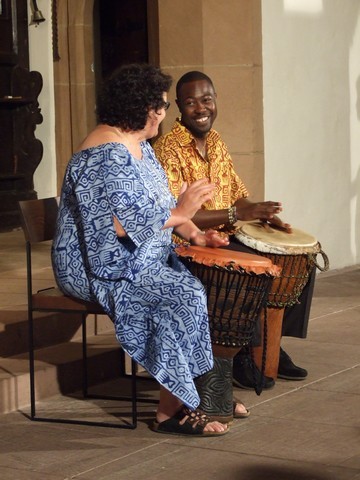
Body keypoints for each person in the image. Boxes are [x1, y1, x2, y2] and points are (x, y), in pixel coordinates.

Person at [51, 63, 232, 437]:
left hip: (136, 258)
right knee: (176, 294)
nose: (165, 114)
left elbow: (160, 204)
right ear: (142, 108)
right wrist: (181, 212)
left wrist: (197, 235)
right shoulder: (105, 154)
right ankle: (173, 410)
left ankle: (195, 395)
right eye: (162, 106)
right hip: (96, 265)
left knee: (190, 288)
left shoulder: (138, 146)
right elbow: (116, 225)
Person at [154, 71, 314, 391]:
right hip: (185, 244)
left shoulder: (216, 142)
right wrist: (235, 213)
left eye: (207, 100)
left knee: (301, 258)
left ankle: (271, 345)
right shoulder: (169, 150)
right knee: (252, 267)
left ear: (216, 101)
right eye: (190, 102)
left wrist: (261, 213)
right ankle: (240, 353)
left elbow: (238, 193)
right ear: (179, 110)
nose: (201, 108)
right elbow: (176, 217)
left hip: (224, 235)